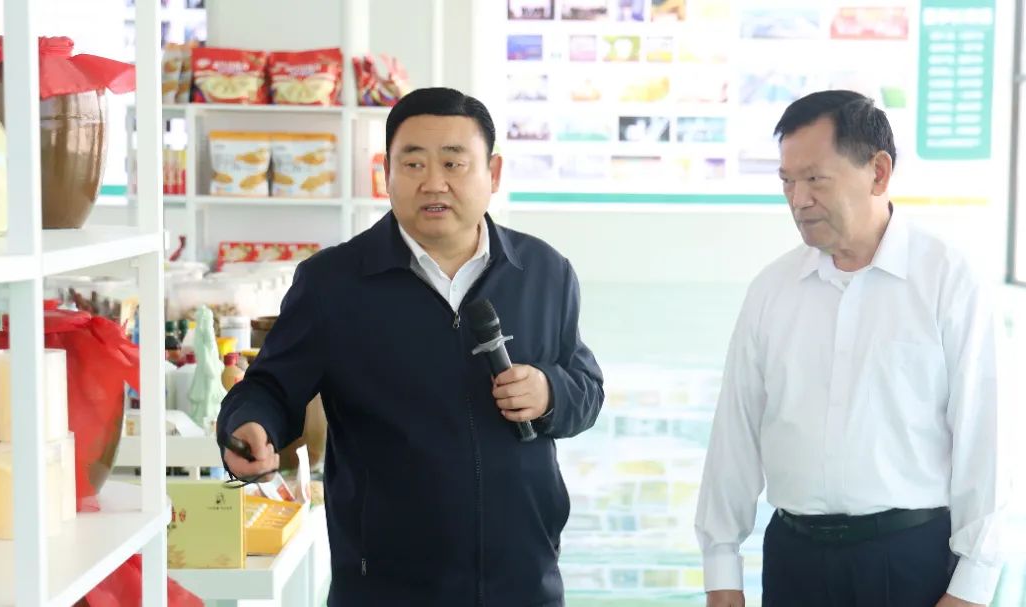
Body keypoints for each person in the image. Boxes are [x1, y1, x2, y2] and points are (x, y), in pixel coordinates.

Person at [216, 87, 604, 607]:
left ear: (493, 173)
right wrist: (248, 425)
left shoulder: (544, 271)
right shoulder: (333, 283)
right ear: (386, 174)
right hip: (384, 585)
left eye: (454, 163)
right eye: (414, 163)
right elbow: (270, 388)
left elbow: (587, 388)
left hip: (523, 579)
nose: (434, 182)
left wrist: (550, 391)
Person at [695, 90, 1007, 607]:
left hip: (909, 560)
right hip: (794, 561)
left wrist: (973, 586)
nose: (798, 199)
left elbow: (987, 439)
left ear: (878, 173)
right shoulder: (772, 290)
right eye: (787, 181)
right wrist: (721, 570)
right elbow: (735, 433)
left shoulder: (947, 279)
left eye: (815, 179)